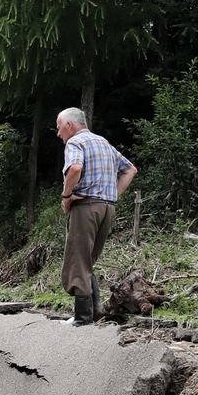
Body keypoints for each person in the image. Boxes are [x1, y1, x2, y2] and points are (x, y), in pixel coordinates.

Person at [56, 107, 136, 325]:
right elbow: (130, 170)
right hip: (107, 208)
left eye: (59, 127)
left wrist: (66, 196)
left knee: (78, 261)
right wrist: (111, 195)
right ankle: (95, 311)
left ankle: (82, 318)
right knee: (88, 261)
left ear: (69, 125)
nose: (58, 133)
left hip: (85, 208)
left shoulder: (75, 142)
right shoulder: (103, 142)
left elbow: (74, 168)